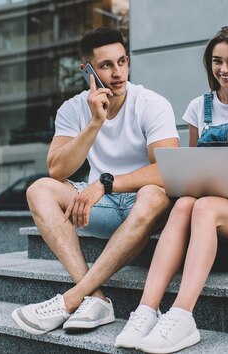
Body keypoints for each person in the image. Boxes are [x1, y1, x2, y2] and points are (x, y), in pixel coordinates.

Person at [114, 26, 228, 353]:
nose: (224, 69)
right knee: (184, 205)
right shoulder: (198, 107)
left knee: (204, 208)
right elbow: (195, 163)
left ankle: (182, 316)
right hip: (209, 193)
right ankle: (146, 311)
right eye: (217, 61)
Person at [11, 27, 180, 335]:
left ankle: (74, 297)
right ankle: (97, 298)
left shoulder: (151, 103)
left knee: (155, 194)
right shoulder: (74, 109)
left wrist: (105, 182)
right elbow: (57, 169)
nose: (118, 73)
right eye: (106, 65)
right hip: (100, 207)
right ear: (86, 70)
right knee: (39, 190)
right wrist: (94, 124)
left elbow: (169, 170)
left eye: (122, 61)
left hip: (143, 205)